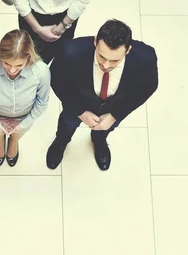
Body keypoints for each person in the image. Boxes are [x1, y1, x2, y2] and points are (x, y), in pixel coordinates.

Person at [46, 19, 158, 171]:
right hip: (77, 104)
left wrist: (115, 115)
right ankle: (60, 143)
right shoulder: (70, 51)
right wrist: (80, 111)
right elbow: (56, 79)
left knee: (105, 131)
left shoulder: (146, 58)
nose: (106, 65)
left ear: (128, 50)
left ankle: (99, 143)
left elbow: (148, 87)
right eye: (101, 56)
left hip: (114, 108)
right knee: (67, 125)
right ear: (95, 42)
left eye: (115, 60)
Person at [0, 29, 50, 167]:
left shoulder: (41, 71)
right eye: (7, 64)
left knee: (18, 134)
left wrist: (22, 125)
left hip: (24, 116)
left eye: (19, 65)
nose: (11, 70)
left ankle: (14, 141)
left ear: (28, 58)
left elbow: (42, 102)